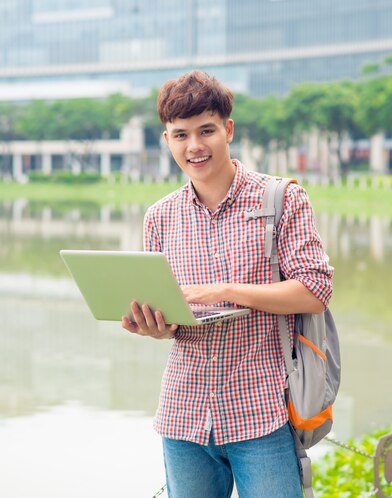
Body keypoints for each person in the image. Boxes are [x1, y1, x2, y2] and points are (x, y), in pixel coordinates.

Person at [122, 70, 333, 498]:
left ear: (228, 130)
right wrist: (155, 325)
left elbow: (314, 292)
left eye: (206, 131)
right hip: (184, 416)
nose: (194, 146)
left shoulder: (280, 199)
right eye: (180, 135)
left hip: (262, 414)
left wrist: (224, 290)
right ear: (167, 141)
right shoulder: (159, 218)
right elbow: (174, 320)